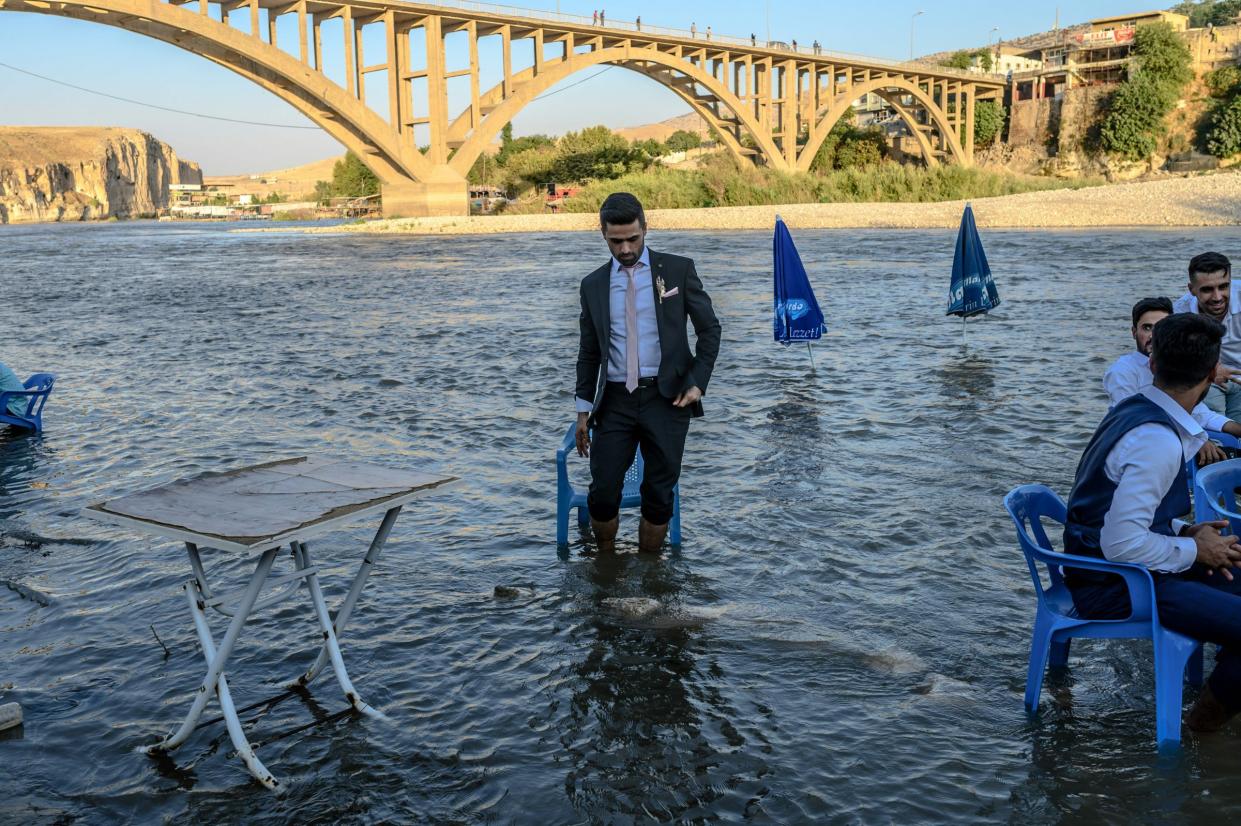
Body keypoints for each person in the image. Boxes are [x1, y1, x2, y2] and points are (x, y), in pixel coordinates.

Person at [1064, 313, 1241, 732]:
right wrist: (1196, 549)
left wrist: (1188, 532)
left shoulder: (1135, 407)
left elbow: (1121, 515)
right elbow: (1121, 544)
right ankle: (1199, 732)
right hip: (1116, 584)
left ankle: (1222, 684)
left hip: (1121, 564)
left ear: (1152, 364)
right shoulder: (1157, 441)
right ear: (1214, 373)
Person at [574, 193, 721, 555]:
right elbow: (589, 351)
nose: (625, 248)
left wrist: (697, 383)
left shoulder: (677, 270)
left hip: (668, 399)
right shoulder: (592, 285)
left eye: (632, 239)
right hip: (614, 401)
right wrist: (582, 412)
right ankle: (605, 564)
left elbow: (710, 330)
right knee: (603, 490)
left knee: (658, 493)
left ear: (645, 228)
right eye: (616, 241)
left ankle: (651, 571)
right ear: (603, 234)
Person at [1104, 296, 1241, 465]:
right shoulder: (1122, 371)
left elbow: (1199, 413)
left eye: (1161, 327)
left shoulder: (1175, 363)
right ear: (1134, 332)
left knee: (1229, 443)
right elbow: (1133, 421)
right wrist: (1194, 440)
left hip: (1170, 438)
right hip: (1137, 447)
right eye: (1147, 328)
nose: (1153, 335)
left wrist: (1235, 427)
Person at [1174, 252, 1241, 419]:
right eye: (1207, 290)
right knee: (1217, 435)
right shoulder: (1180, 313)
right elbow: (1177, 359)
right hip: (1207, 379)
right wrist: (1212, 370)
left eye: (1223, 287)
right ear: (1192, 290)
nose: (1217, 297)